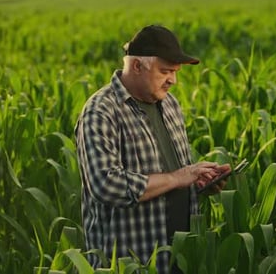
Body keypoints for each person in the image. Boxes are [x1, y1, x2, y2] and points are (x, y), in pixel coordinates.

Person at [74, 24, 231, 274]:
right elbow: (105, 185)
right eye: (165, 71)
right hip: (131, 263)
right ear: (137, 66)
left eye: (176, 72)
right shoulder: (101, 111)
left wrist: (198, 183)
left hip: (180, 257)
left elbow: (174, 176)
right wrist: (177, 177)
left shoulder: (169, 105)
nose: (173, 80)